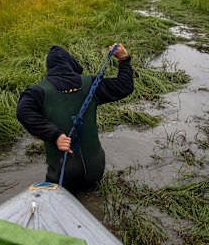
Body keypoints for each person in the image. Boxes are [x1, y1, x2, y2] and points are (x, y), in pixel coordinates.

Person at [16, 44, 133, 193]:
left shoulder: (37, 92)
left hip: (63, 176)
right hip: (96, 169)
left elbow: (23, 112)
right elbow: (125, 86)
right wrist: (124, 59)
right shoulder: (91, 84)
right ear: (71, 64)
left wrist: (55, 135)